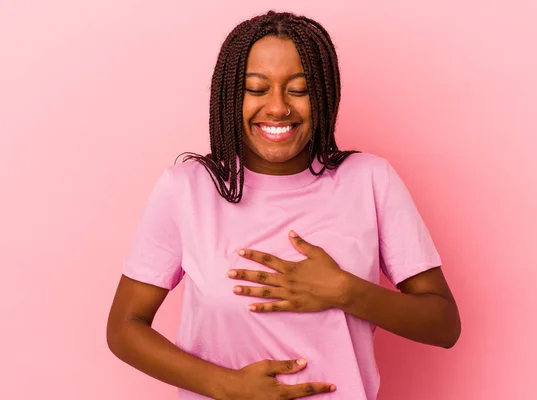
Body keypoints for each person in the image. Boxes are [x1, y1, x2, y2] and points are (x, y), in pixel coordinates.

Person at [106, 10, 461, 400]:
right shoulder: (186, 189)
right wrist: (227, 385)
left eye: (299, 89)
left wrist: (345, 290)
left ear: (323, 95)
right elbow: (124, 327)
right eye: (257, 89)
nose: (277, 108)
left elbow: (443, 325)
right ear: (230, 97)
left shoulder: (371, 180)